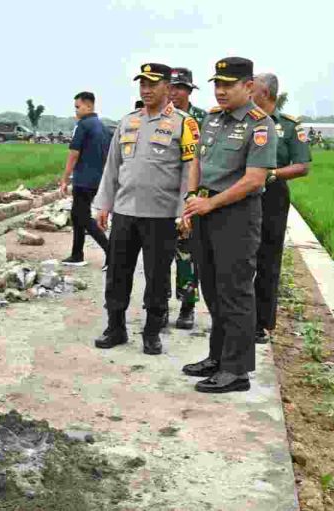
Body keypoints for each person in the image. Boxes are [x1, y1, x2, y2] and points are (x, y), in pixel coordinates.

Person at [182, 57, 278, 393]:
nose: (221, 91)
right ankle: (218, 357)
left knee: (235, 292)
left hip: (236, 216)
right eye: (217, 84)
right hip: (206, 211)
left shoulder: (260, 125)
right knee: (211, 287)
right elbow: (197, 160)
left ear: (248, 86)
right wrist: (193, 199)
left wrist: (210, 202)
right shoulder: (211, 119)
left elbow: (254, 180)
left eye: (228, 85)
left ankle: (236, 371)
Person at [93, 63, 198, 355]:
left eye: (153, 84)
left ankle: (152, 333)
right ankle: (116, 327)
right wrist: (104, 204)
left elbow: (190, 169)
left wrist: (184, 210)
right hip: (125, 213)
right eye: (142, 84)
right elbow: (113, 166)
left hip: (162, 216)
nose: (146, 89)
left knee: (157, 276)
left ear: (168, 87)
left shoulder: (183, 123)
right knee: (117, 273)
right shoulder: (128, 122)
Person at [252, 73, 312, 343]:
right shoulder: (245, 122)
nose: (247, 90)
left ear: (264, 93)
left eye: (251, 87)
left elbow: (302, 166)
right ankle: (238, 316)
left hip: (272, 195)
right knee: (240, 257)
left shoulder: (288, 126)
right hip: (243, 192)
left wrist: (271, 174)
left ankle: (260, 322)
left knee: (267, 258)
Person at [167, 67, 208, 329]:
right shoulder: (159, 116)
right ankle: (157, 305)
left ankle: (187, 307)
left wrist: (194, 200)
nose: (174, 93)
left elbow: (205, 162)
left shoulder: (204, 120)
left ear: (189, 90)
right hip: (160, 196)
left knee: (187, 255)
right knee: (158, 255)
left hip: (190, 196)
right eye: (170, 87)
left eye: (180, 88)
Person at [59, 92, 110, 267]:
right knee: (77, 215)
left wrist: (65, 179)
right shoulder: (103, 127)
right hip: (98, 178)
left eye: (77, 107)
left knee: (83, 216)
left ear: (88, 106)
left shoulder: (83, 125)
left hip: (84, 179)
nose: (76, 111)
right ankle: (77, 254)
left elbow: (74, 153)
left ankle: (111, 251)